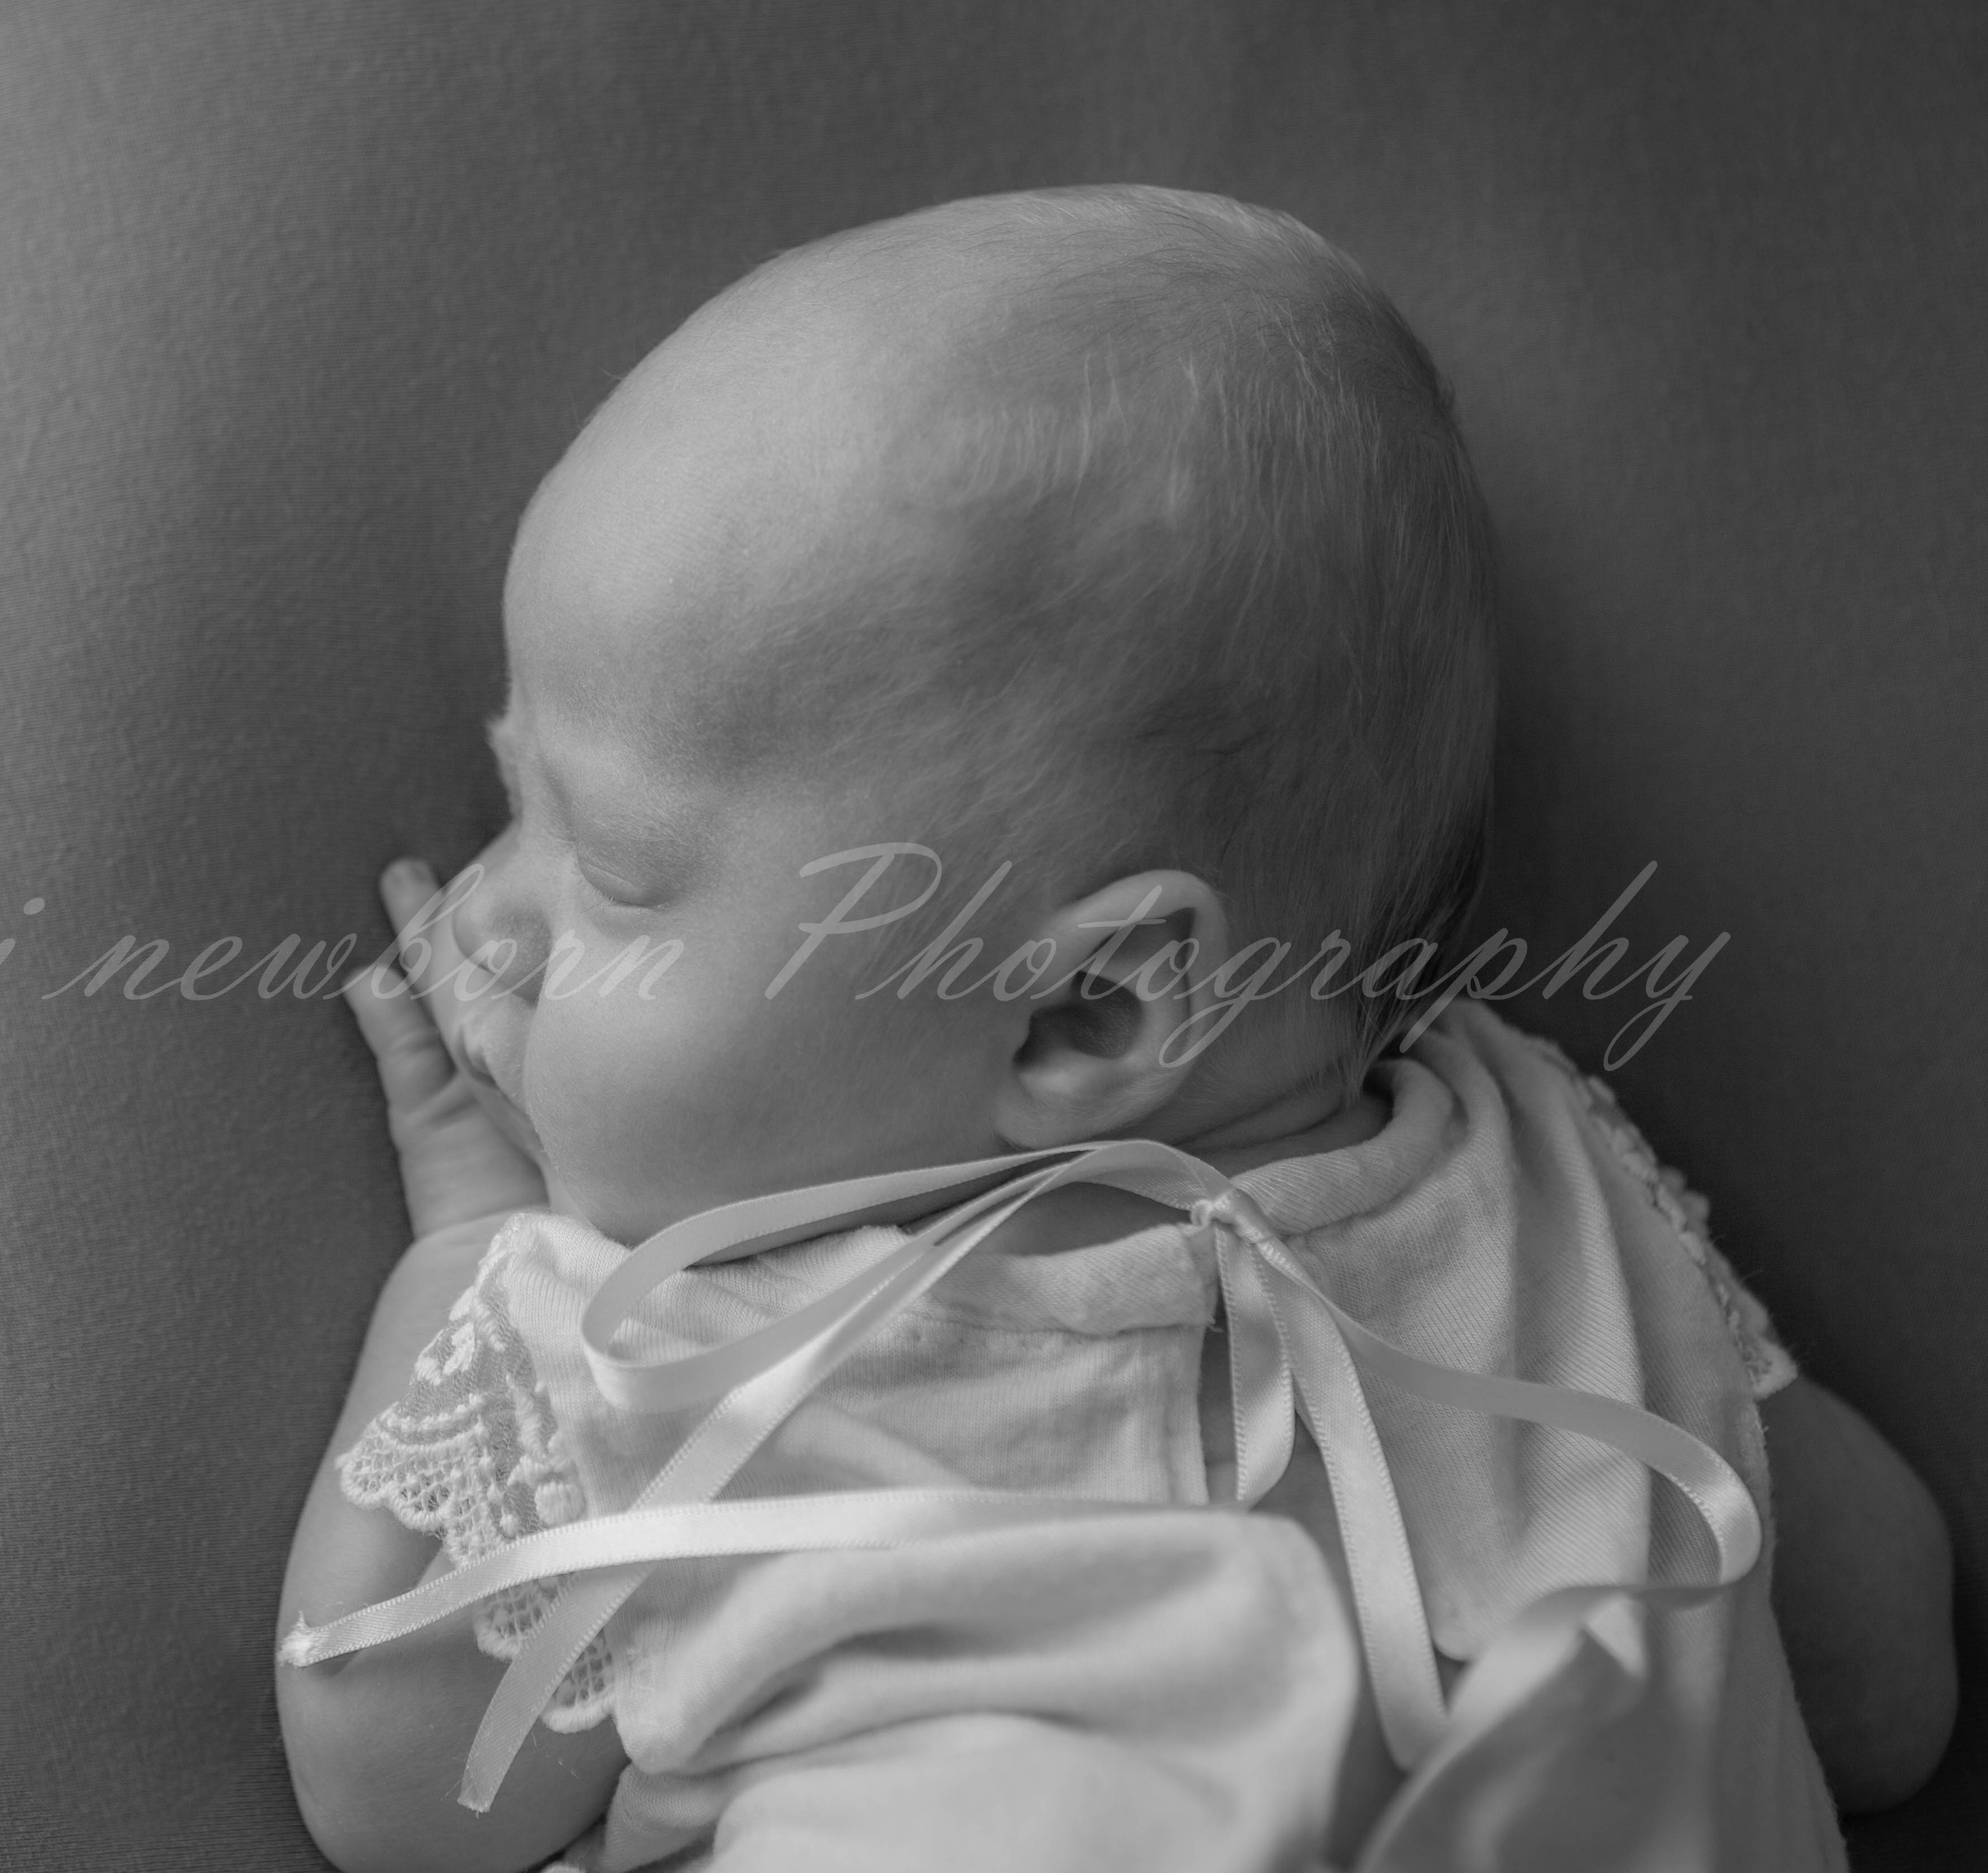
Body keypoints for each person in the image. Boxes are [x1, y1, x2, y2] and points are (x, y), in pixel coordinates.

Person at [274, 187, 1953, 1873]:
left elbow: (402, 1802)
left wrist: (473, 1250)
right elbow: (1887, 1690)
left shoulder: (675, 1359)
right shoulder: (1542, 1181)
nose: (486, 916)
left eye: (612, 868)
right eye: (515, 801)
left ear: (1084, 1007)